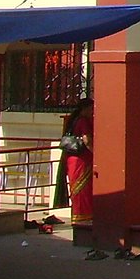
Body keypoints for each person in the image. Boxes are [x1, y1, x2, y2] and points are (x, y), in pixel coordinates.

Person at [51, 97, 93, 227]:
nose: (92, 112)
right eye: (91, 109)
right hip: (81, 160)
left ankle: (78, 216)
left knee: (77, 190)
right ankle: (83, 217)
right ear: (85, 109)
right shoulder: (83, 121)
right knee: (83, 190)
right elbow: (87, 140)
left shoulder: (73, 120)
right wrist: (96, 153)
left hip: (72, 159)